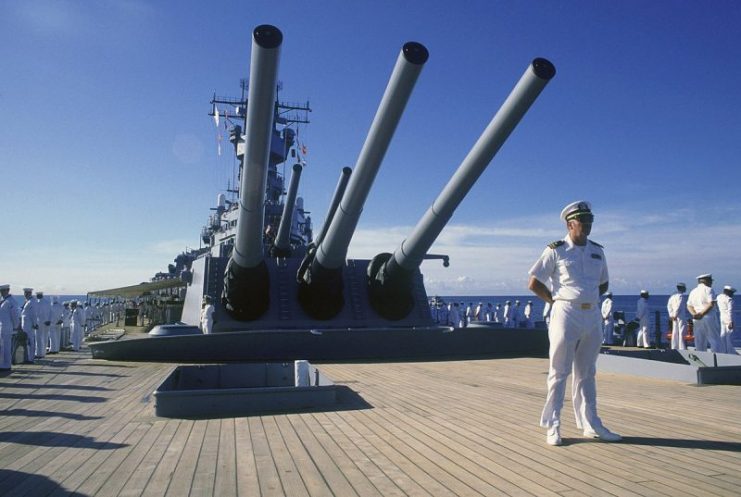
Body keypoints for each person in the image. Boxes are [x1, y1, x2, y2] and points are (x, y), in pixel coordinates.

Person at [528, 200, 621, 446]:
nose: (588, 226)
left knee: (587, 372)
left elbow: (604, 283)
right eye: (583, 222)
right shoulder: (555, 250)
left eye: (590, 221)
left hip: (592, 315)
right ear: (571, 224)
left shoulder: (598, 251)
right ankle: (553, 424)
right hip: (565, 312)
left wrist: (588, 298)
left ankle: (591, 424)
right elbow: (534, 282)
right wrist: (554, 301)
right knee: (559, 372)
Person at [687, 274, 721, 352]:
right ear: (706, 281)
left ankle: (702, 358)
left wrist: (694, 314)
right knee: (714, 339)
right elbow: (711, 303)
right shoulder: (709, 289)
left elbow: (689, 305)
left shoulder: (693, 291)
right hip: (708, 317)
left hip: (696, 318)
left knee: (699, 340)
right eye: (710, 280)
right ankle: (717, 359)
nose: (711, 282)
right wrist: (702, 314)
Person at [0, 284, 20, 371]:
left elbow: (15, 315)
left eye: (3, 290)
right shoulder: (4, 301)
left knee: (6, 346)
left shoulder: (11, 301)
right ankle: (3, 364)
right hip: (3, 326)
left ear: (8, 290)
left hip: (7, 326)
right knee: (3, 346)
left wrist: (15, 326)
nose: (2, 292)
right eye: (1, 291)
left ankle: (6, 365)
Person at [667, 283, 688, 350]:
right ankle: (682, 347)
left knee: (675, 332)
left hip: (674, 316)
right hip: (680, 316)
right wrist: (675, 315)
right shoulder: (680, 296)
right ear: (682, 288)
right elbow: (678, 307)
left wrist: (671, 315)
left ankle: (674, 346)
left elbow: (669, 306)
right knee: (682, 332)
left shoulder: (672, 296)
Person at [20, 288, 38, 363]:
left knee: (30, 341)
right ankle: (28, 357)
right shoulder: (28, 301)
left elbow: (33, 314)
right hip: (26, 325)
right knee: (28, 341)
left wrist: (34, 324)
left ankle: (30, 358)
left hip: (29, 325)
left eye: (25, 293)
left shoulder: (31, 302)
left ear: (28, 293)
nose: (24, 295)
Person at [717, 285, 736, 354]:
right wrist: (731, 321)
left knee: (723, 335)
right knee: (729, 337)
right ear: (729, 292)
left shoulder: (719, 297)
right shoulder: (729, 299)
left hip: (722, 318)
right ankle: (731, 352)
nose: (732, 294)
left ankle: (723, 351)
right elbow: (730, 311)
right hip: (728, 319)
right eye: (732, 293)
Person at [35, 291, 51, 358]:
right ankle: (43, 353)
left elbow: (37, 313)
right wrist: (49, 320)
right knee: (45, 337)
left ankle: (39, 353)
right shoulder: (47, 302)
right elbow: (51, 312)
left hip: (40, 322)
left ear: (38, 295)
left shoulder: (38, 303)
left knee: (39, 338)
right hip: (47, 322)